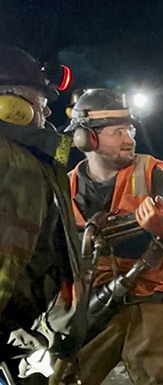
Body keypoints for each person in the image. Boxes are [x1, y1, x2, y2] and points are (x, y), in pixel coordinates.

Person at [51, 88, 163, 385]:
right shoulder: (64, 187)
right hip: (89, 306)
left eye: (131, 129)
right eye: (117, 131)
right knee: (60, 380)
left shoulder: (152, 175)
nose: (129, 139)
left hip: (150, 301)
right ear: (88, 138)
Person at [0, 44, 84, 382]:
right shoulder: (18, 161)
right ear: (11, 106)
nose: (47, 115)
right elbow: (8, 254)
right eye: (42, 104)